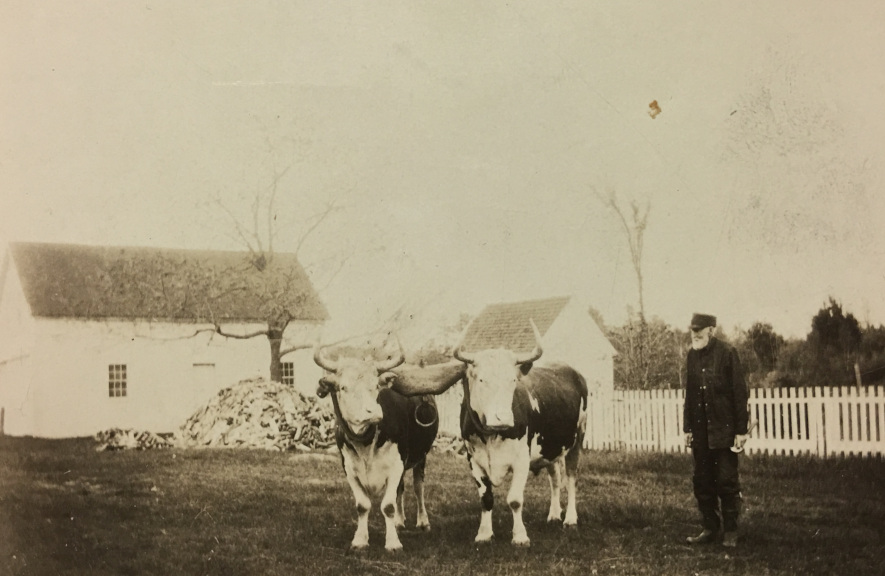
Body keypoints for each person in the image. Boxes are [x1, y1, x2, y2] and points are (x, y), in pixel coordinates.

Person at [683, 313, 749, 548]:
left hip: (724, 431)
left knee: (726, 481)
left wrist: (741, 431)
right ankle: (710, 528)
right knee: (702, 482)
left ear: (712, 330)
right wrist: (687, 428)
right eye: (693, 330)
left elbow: (740, 394)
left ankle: (730, 530)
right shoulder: (691, 356)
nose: (695, 334)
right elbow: (689, 395)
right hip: (700, 433)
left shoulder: (728, 353)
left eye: (699, 330)